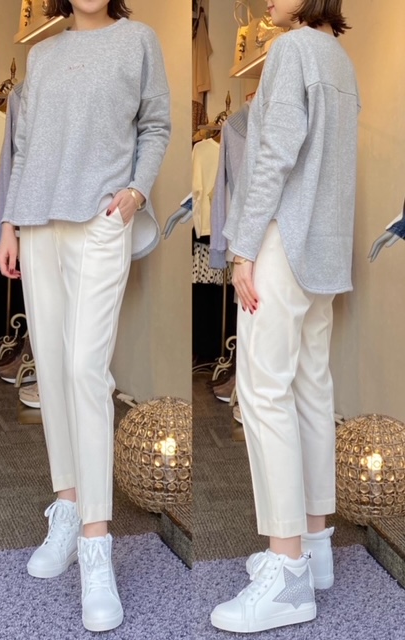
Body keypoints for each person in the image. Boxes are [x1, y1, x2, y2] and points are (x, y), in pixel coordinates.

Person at [0, 0, 170, 632]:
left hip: (101, 220)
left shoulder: (138, 40)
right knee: (51, 370)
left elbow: (156, 124)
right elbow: (22, 146)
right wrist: (9, 223)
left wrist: (136, 193)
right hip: (38, 222)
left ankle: (97, 547)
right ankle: (67, 507)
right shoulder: (42, 54)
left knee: (85, 370)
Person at [211, 0, 359, 633]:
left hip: (282, 242)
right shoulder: (340, 60)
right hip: (324, 251)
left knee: (263, 392)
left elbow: (273, 154)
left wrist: (243, 246)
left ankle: (288, 570)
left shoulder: (292, 50)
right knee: (309, 389)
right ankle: (315, 547)